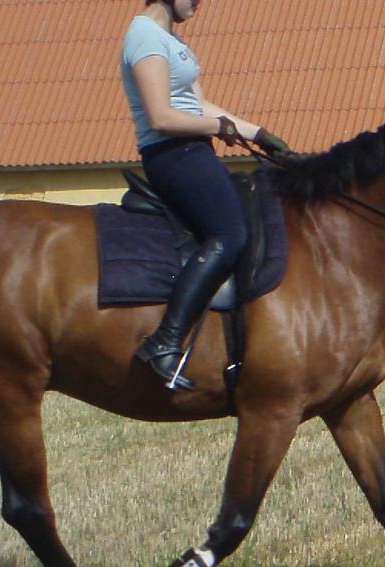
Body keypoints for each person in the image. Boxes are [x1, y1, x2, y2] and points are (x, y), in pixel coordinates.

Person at [121, 0, 288, 390]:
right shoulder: (143, 36)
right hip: (171, 154)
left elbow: (195, 103)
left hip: (193, 150)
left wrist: (256, 133)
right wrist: (218, 126)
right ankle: (164, 341)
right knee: (229, 234)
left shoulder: (169, 39)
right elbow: (161, 116)